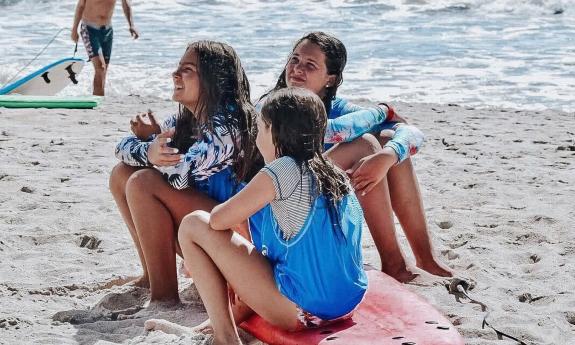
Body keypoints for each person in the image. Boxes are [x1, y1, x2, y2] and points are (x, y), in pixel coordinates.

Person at [148, 87, 367, 345]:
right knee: (261, 246)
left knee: (194, 224)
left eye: (260, 127)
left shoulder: (282, 169)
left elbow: (217, 220)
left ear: (274, 131)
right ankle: (214, 325)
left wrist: (208, 259)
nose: (255, 134)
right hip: (347, 305)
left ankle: (225, 337)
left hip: (304, 313)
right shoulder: (332, 173)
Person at [264, 32, 452, 282]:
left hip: (318, 196)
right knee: (364, 145)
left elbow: (413, 134)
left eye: (310, 65)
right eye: (294, 60)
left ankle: (425, 258)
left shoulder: (338, 107)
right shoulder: (272, 106)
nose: (297, 69)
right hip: (282, 205)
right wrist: (382, 111)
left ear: (329, 79)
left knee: (387, 141)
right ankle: (394, 262)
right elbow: (332, 130)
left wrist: (388, 154)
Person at [109, 40, 257, 304]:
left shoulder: (229, 126)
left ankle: (164, 296)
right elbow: (121, 148)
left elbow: (180, 177)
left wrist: (154, 144)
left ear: (214, 81)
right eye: (178, 68)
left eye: (187, 69)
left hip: (246, 240)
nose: (175, 75)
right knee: (122, 173)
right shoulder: (187, 121)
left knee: (144, 182)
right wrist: (150, 150)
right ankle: (150, 276)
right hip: (210, 226)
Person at [71, 0, 139, 96]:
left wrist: (131, 25)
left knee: (103, 71)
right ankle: (97, 100)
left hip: (107, 30)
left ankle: (99, 100)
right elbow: (81, 5)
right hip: (89, 29)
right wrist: (74, 29)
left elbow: (126, 3)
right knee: (100, 67)